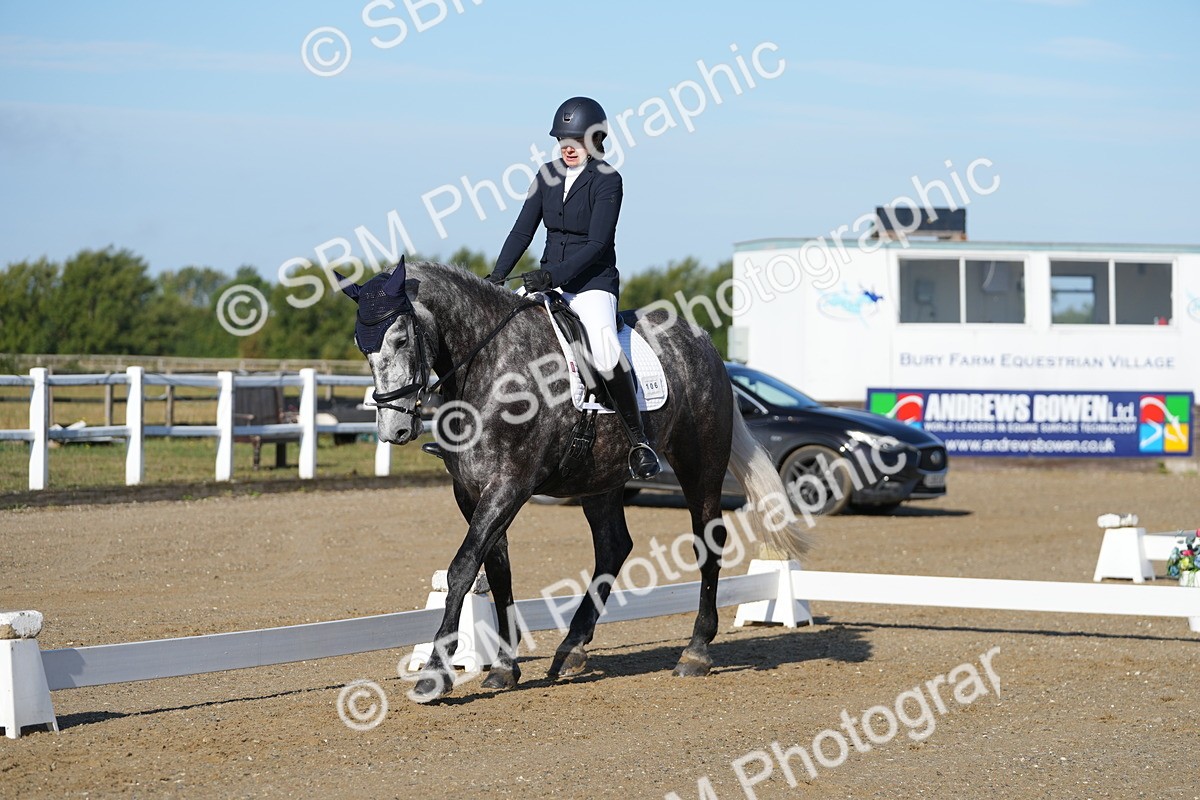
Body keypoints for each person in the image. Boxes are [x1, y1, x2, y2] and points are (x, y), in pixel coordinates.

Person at [487, 96, 661, 480]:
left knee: (602, 346)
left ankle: (639, 441)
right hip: (549, 281)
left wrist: (553, 276)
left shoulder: (608, 180)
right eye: (563, 139)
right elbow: (521, 231)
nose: (568, 146)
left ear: (594, 139)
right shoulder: (546, 174)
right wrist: (497, 276)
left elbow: (598, 244)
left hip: (591, 285)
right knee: (500, 334)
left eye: (577, 140)